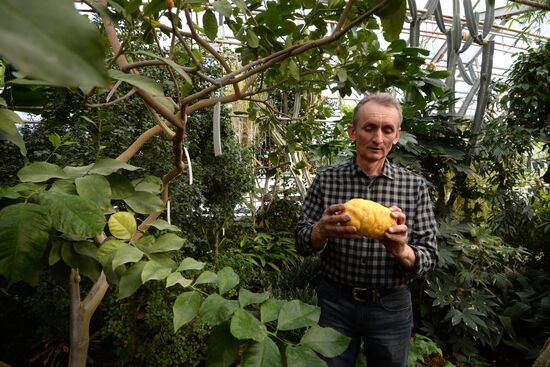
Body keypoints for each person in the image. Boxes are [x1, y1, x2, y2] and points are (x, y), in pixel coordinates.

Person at [295, 93, 438, 367]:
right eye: (369, 128)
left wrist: (402, 250)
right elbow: (301, 242)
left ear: (397, 135)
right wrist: (320, 231)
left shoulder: (414, 187)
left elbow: (429, 256)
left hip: (390, 306)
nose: (378, 138)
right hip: (336, 302)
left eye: (387, 130)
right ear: (352, 131)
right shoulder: (327, 181)